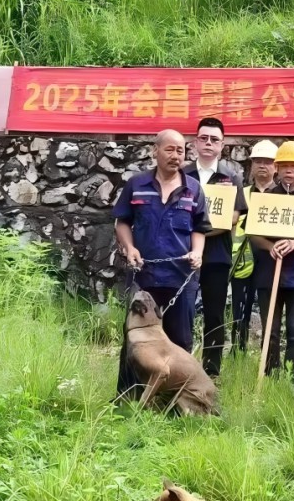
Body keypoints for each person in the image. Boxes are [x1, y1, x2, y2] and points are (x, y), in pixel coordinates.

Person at [112, 129, 209, 399]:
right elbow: (122, 222)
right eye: (169, 149)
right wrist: (130, 247)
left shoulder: (193, 189)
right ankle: (128, 397)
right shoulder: (137, 184)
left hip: (181, 278)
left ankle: (173, 401)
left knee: (180, 341)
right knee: (136, 340)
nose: (176, 155)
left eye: (180, 150)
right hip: (144, 276)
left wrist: (197, 252)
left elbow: (200, 228)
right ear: (155, 151)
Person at [248, 141, 294, 383]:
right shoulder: (266, 198)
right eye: (284, 165)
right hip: (270, 273)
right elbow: (252, 233)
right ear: (276, 168)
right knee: (271, 330)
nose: (289, 170)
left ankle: (293, 382)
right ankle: (269, 379)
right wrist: (271, 246)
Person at [182, 117, 247, 378]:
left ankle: (211, 370)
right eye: (204, 138)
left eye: (214, 139)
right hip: (183, 253)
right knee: (181, 310)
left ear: (222, 145)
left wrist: (198, 231)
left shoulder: (231, 177)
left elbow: (233, 217)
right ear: (195, 142)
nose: (208, 143)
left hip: (217, 255)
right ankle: (179, 365)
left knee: (214, 313)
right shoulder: (182, 175)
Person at [230, 140, 278, 353]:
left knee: (270, 314)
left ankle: (269, 359)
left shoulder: (282, 195)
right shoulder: (242, 193)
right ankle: (237, 355)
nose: (262, 165)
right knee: (239, 311)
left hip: (270, 260)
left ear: (276, 167)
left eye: (268, 161)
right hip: (243, 260)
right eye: (258, 161)